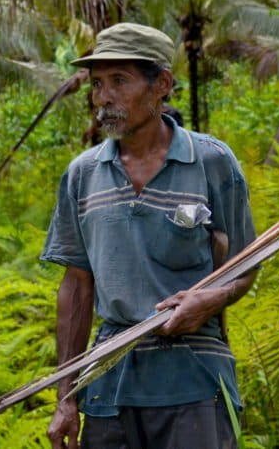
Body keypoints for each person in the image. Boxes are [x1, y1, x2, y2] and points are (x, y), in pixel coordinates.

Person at [40, 22, 257, 449]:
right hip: (108, 381)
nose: (103, 97)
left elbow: (246, 266)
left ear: (162, 84)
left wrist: (209, 300)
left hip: (195, 381)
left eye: (119, 80)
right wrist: (66, 398)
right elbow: (77, 287)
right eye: (98, 83)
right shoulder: (82, 175)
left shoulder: (212, 162)